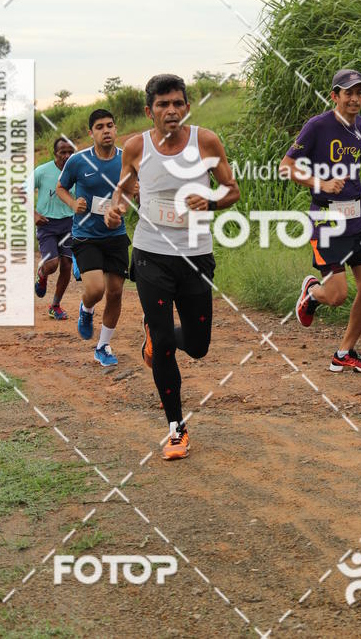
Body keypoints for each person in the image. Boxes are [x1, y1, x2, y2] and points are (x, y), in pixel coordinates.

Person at [105, 73, 239, 460]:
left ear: (187, 107)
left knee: (197, 346)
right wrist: (115, 210)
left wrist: (210, 202)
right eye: (163, 104)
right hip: (150, 254)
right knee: (164, 346)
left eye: (178, 103)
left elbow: (232, 190)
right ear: (149, 111)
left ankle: (155, 334)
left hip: (195, 254)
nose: (171, 110)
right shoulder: (136, 147)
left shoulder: (206, 141)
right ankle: (176, 428)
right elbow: (123, 191)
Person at [279, 68, 361, 373]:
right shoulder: (317, 126)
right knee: (338, 295)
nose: (354, 98)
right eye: (348, 93)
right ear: (335, 96)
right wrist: (321, 183)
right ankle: (312, 293)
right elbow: (286, 167)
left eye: (359, 93)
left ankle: (344, 352)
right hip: (327, 219)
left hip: (358, 218)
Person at [56, 109, 129, 368]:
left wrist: (121, 209)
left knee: (116, 292)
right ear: (91, 133)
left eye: (110, 125)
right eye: (100, 127)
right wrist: (72, 203)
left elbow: (132, 192)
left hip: (116, 235)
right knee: (96, 290)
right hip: (86, 236)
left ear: (115, 129)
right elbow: (61, 187)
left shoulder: (126, 159)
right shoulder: (78, 161)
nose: (106, 130)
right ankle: (86, 310)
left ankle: (103, 346)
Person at [32, 137, 75, 319]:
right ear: (55, 154)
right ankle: (42, 272)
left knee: (66, 265)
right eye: (62, 152)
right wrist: (34, 215)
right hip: (47, 224)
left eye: (70, 152)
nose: (67, 156)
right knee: (51, 265)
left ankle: (55, 306)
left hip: (69, 224)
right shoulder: (42, 171)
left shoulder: (77, 171)